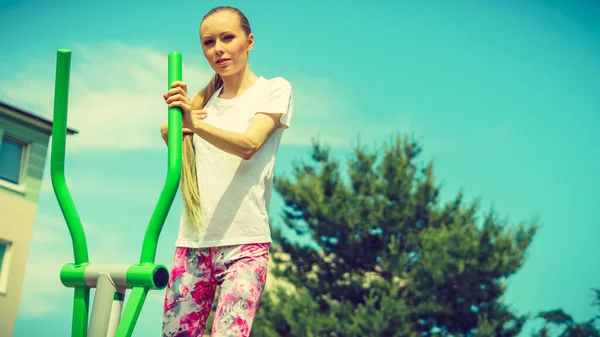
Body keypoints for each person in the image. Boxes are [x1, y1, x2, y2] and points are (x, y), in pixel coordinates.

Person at [159, 5, 293, 337]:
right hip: (192, 243)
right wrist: (175, 130)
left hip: (245, 245)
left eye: (227, 37)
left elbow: (249, 144)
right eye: (208, 42)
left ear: (249, 41)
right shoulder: (200, 107)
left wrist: (192, 124)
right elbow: (190, 160)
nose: (218, 48)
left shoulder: (273, 90)